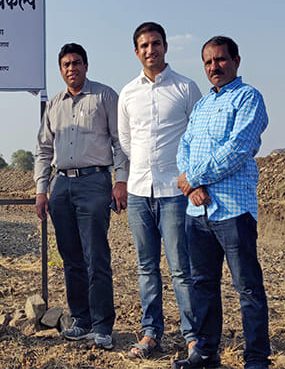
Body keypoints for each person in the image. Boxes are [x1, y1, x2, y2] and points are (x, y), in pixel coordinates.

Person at [173, 36, 270, 369]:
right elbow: (184, 147)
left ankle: (256, 358)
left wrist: (194, 178)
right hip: (197, 211)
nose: (214, 67)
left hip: (233, 209)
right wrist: (191, 188)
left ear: (236, 61)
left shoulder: (248, 98)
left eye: (221, 59)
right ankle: (206, 352)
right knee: (203, 284)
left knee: (247, 288)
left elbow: (238, 148)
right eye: (208, 62)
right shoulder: (202, 106)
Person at [34, 43, 128, 350]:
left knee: (96, 256)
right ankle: (81, 320)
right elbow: (43, 149)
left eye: (76, 63)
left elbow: (120, 142)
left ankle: (102, 326)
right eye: (66, 64)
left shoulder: (104, 96)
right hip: (61, 185)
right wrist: (41, 189)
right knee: (71, 258)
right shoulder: (54, 104)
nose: (71, 68)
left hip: (94, 182)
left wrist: (120, 181)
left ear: (86, 66)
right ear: (60, 70)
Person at [118, 22, 201, 358]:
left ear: (165, 46)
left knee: (181, 268)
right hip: (139, 191)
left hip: (174, 192)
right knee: (146, 267)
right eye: (144, 45)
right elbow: (126, 141)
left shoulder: (185, 87)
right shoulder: (128, 93)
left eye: (155, 43)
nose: (150, 50)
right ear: (136, 51)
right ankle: (151, 334)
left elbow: (198, 134)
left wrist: (187, 174)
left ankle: (193, 337)